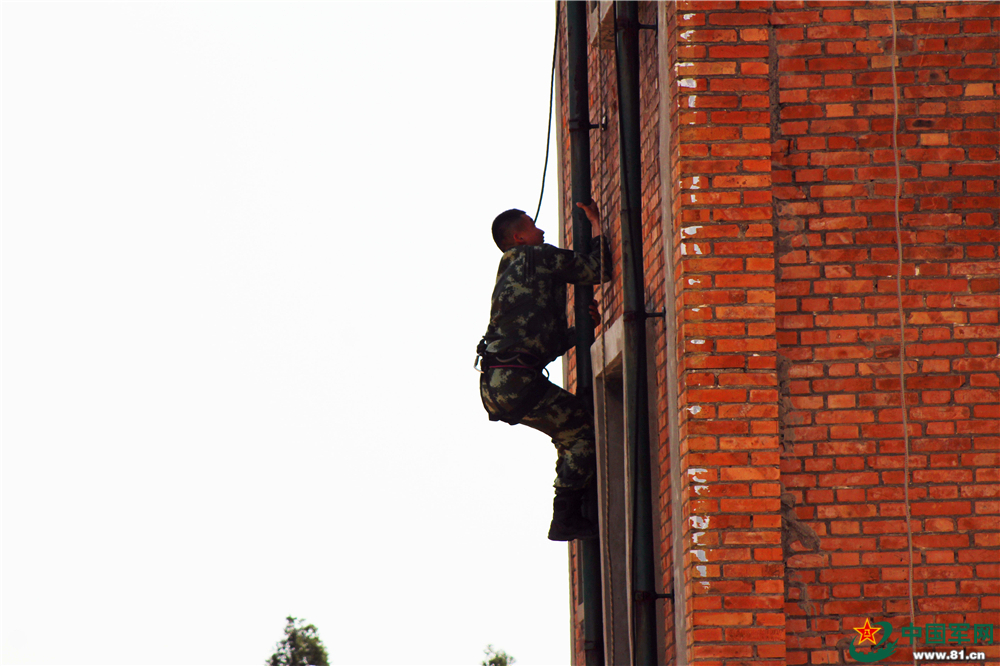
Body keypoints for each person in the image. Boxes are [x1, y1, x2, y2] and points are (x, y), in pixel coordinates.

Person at [476, 202, 610, 541]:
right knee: (581, 429)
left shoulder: (511, 272)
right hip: (515, 380)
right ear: (519, 238)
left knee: (568, 431)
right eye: (533, 226)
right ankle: (565, 515)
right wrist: (596, 223)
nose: (542, 231)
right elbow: (598, 269)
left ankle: (568, 509)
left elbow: (537, 341)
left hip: (498, 382)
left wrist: (581, 331)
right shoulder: (538, 257)